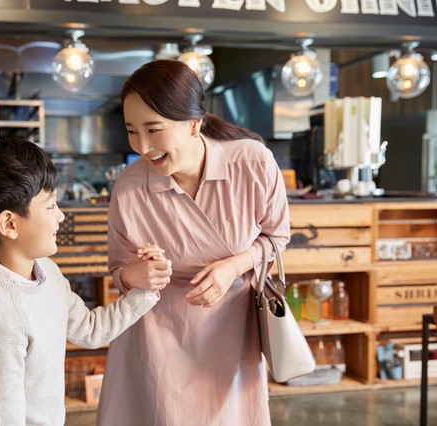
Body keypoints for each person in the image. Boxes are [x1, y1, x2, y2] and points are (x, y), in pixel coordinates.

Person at [97, 60, 291, 426]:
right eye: (132, 131)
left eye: (154, 130)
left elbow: (277, 236)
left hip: (231, 329)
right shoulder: (129, 187)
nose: (142, 146)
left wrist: (234, 265)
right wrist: (136, 275)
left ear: (194, 124)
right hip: (156, 337)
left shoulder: (252, 163)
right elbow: (118, 274)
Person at [0, 138, 171, 426]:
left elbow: (90, 330)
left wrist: (144, 288)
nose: (61, 216)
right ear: (10, 224)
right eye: (51, 205)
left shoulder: (46, 272)